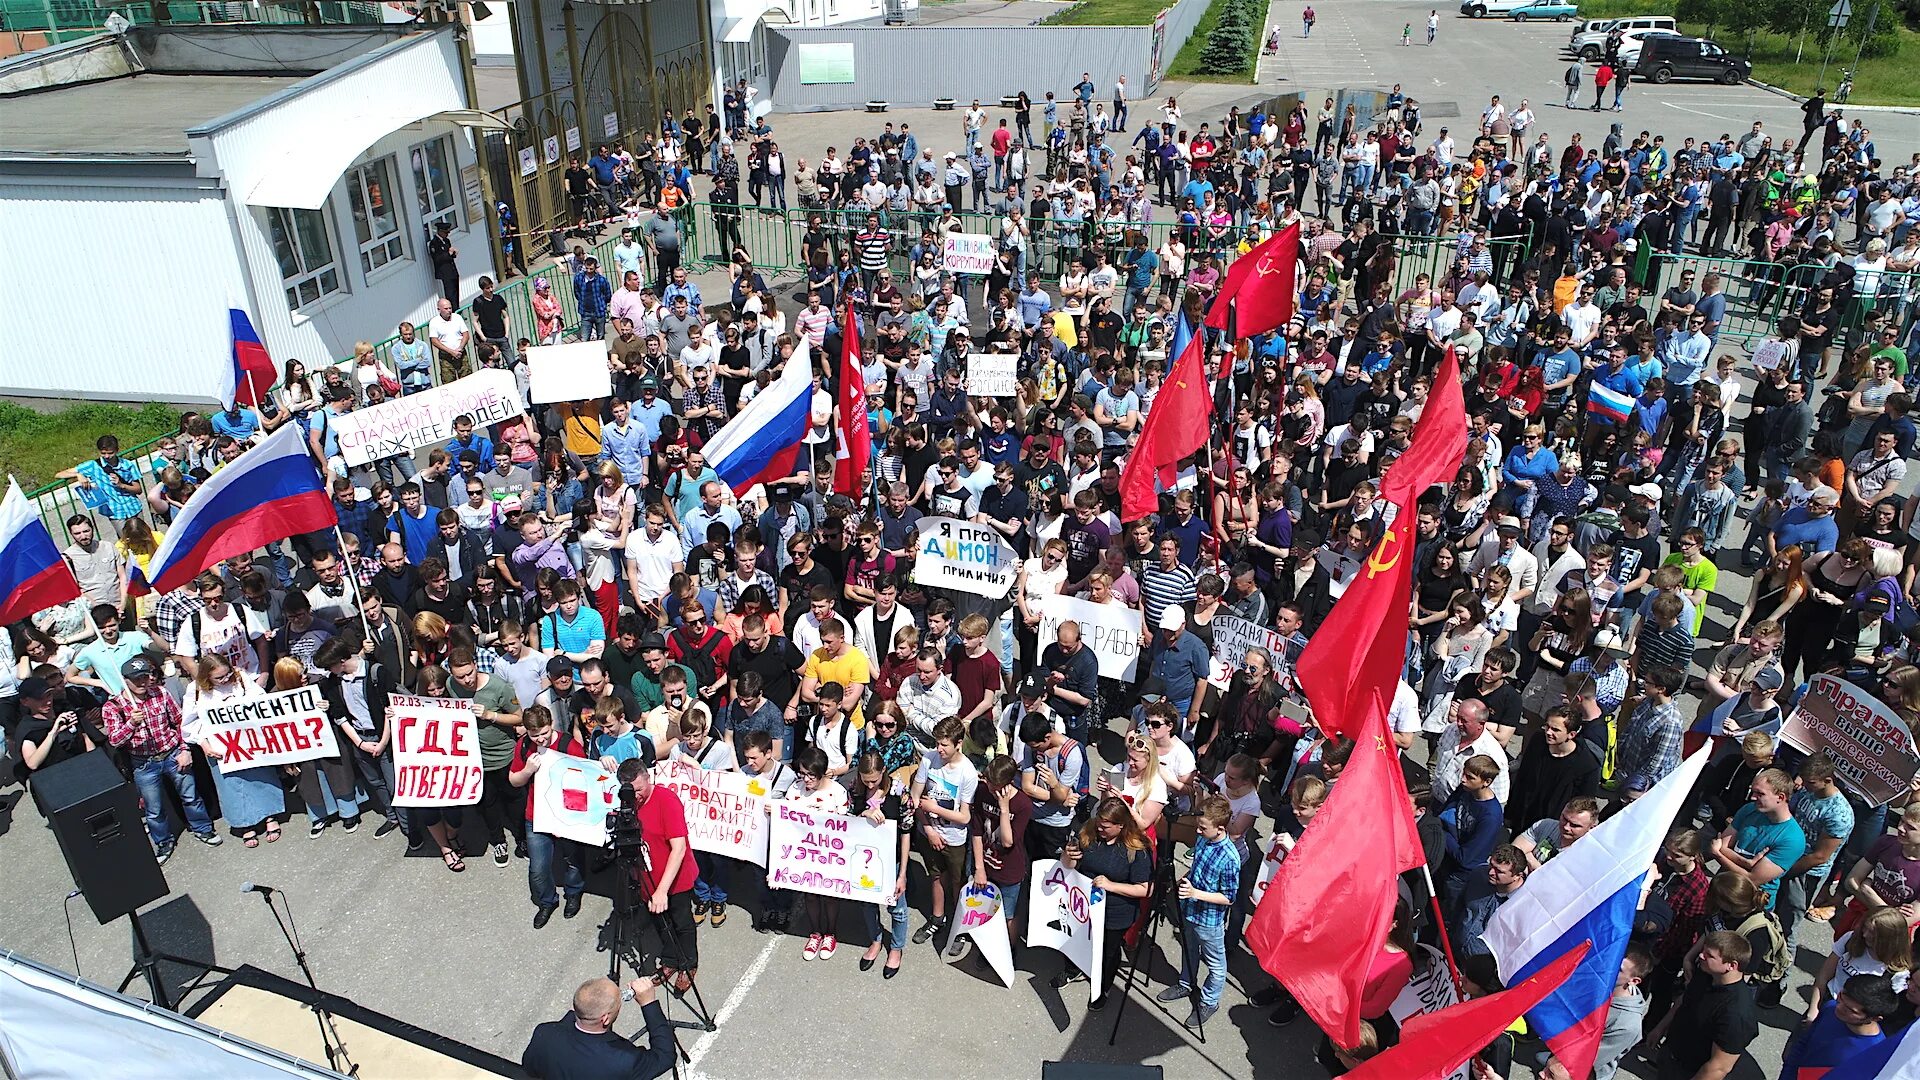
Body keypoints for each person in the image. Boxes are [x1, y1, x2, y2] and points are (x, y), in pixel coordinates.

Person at [101, 655, 220, 862]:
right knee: (153, 808)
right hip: (144, 763)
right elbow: (115, 740)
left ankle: (202, 828)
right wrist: (131, 723)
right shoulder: (114, 707)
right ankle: (163, 842)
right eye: (136, 679)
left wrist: (185, 750)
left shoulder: (161, 693)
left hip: (172, 753)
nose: (142, 683)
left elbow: (179, 722)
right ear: (125, 681)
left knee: (190, 795)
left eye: (145, 677)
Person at [1049, 796, 1154, 1008]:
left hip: (1115, 913)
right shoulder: (1089, 832)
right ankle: (1072, 969)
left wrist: (1112, 885)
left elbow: (1146, 889)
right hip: (1081, 904)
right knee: (1075, 940)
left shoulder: (1136, 849)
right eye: (1099, 824)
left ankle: (1101, 987)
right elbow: (1069, 865)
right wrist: (1068, 857)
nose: (1100, 830)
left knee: (1107, 951)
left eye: (1105, 827)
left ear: (1121, 825)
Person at [1155, 794, 1241, 1029]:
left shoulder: (1230, 858)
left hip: (1209, 920)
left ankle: (1209, 1001)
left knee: (1216, 963)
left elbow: (1229, 898)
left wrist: (1196, 893)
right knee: (1189, 948)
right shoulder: (1204, 839)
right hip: (1189, 910)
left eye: (1203, 828)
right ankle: (1186, 982)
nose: (1199, 832)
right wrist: (1185, 881)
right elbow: (1198, 870)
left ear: (1220, 828)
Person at [616, 757, 699, 991]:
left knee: (681, 921)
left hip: (675, 880)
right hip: (646, 878)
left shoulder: (666, 800)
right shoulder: (627, 803)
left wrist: (662, 890)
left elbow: (679, 847)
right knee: (660, 923)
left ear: (648, 779)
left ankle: (689, 964)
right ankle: (671, 959)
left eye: (640, 790)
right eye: (631, 791)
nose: (637, 796)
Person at [510, 705, 589, 928]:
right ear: (527, 732)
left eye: (545, 733)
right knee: (538, 867)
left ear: (551, 724)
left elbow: (584, 778)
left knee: (572, 859)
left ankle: (573, 893)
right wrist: (527, 770)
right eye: (536, 735)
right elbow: (514, 780)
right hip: (536, 815)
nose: (541, 740)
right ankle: (547, 901)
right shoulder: (524, 745)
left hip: (566, 815)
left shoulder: (568, 745)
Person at [520, 975, 674, 1080]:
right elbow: (665, 1057)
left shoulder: (545, 1033)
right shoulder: (624, 1060)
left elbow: (529, 1068)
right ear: (605, 1019)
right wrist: (649, 1003)